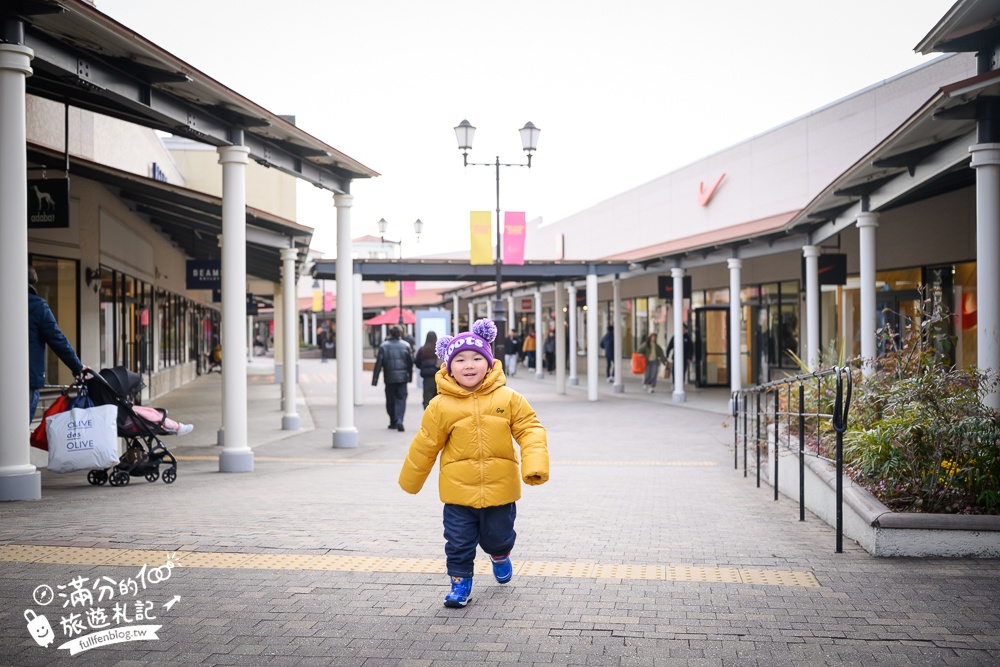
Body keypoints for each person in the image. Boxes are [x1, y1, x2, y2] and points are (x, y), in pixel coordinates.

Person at [398, 318, 548, 608]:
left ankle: (500, 554)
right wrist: (411, 479)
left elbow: (530, 429)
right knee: (458, 543)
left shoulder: (509, 398)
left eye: (477, 358)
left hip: (500, 491)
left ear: (489, 363)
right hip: (458, 494)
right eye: (461, 360)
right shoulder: (440, 406)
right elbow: (426, 443)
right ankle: (460, 583)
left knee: (498, 538)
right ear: (448, 366)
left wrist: (534, 463)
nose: (469, 365)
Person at [29, 265, 84, 421]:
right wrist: (77, 367)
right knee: (18, 426)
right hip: (28, 378)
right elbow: (57, 339)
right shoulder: (38, 306)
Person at [372, 325, 414, 431]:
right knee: (401, 399)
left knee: (390, 400)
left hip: (389, 378)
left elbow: (378, 364)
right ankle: (399, 419)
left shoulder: (384, 346)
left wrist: (375, 379)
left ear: (390, 333)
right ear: (400, 334)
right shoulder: (406, 345)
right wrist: (409, 377)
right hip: (402, 378)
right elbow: (410, 363)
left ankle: (393, 421)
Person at [414, 331, 441, 409]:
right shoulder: (438, 350)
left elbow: (417, 361)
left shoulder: (423, 349)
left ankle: (428, 415)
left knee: (427, 397)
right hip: (438, 375)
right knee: (438, 397)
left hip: (427, 377)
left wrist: (423, 367)